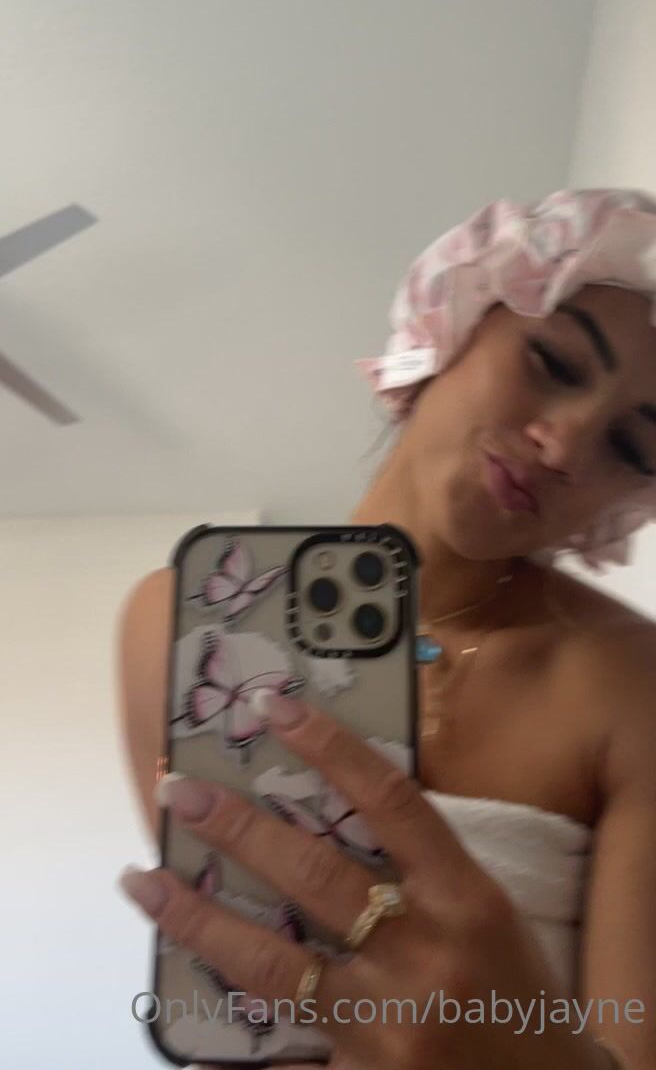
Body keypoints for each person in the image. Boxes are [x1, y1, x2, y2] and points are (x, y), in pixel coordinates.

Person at [117, 188, 656, 1069]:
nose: (563, 446)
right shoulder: (171, 623)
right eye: (553, 361)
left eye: (632, 449)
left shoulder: (632, 683)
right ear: (451, 323)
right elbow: (238, 964)